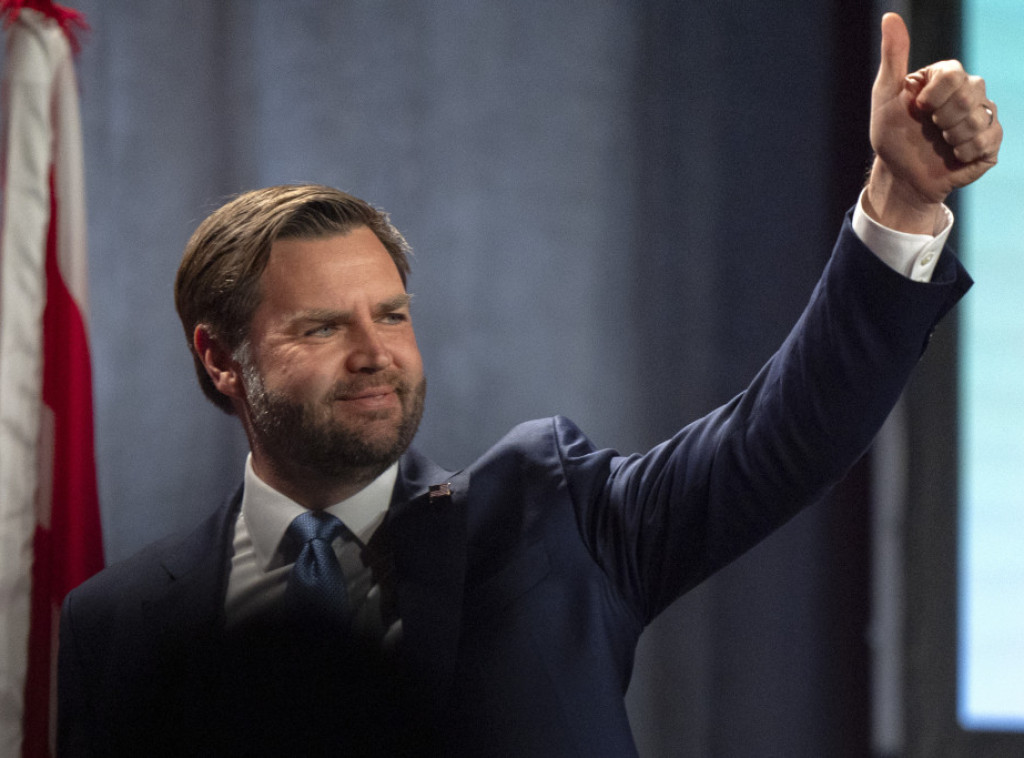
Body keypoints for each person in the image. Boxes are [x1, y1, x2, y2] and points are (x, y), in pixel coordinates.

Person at [57, 14, 1002, 757]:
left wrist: (902, 199)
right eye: (322, 327)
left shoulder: (551, 514)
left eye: (392, 315)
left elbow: (785, 434)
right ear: (221, 359)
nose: (376, 353)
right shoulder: (120, 626)